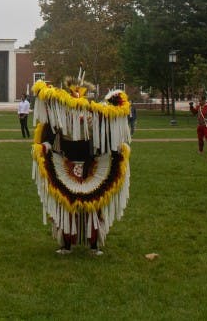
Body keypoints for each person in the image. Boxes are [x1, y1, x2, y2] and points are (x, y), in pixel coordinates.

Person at [31, 76, 132, 256]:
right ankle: (66, 244)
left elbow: (105, 137)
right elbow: (50, 134)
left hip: (91, 166)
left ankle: (93, 244)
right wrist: (45, 146)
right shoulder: (60, 118)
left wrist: (114, 149)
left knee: (93, 206)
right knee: (67, 206)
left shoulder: (95, 116)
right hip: (66, 164)